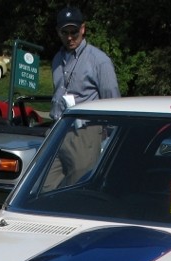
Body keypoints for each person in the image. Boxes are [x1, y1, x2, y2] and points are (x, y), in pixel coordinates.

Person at [45, 7, 119, 190]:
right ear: (58, 32)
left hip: (85, 132)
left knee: (79, 183)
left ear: (83, 29)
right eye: (65, 32)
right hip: (58, 129)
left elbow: (113, 102)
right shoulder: (57, 60)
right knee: (41, 186)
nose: (70, 37)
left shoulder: (99, 60)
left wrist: (109, 137)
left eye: (74, 32)